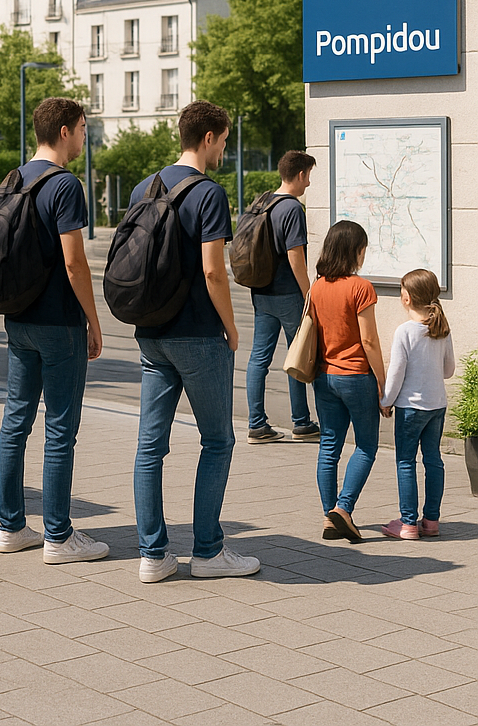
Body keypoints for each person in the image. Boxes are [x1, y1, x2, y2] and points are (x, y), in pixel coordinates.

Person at [132, 100, 260, 583]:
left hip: (152, 334)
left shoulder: (147, 186)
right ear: (207, 138)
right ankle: (207, 551)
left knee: (150, 447)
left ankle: (153, 555)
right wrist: (230, 328)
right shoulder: (208, 193)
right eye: (224, 140)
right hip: (198, 334)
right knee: (218, 440)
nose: (225, 148)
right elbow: (213, 271)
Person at [0, 97, 107, 565]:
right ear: (64, 131)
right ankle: (59, 537)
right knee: (60, 428)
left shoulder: (14, 178)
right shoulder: (65, 185)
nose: (85, 136)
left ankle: (11, 526)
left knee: (15, 421)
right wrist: (93, 320)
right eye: (82, 128)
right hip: (58, 322)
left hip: (18, 318)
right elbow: (74, 261)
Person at [311, 220, 386, 542]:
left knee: (329, 447)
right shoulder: (360, 287)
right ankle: (343, 508)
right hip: (356, 376)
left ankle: (330, 516)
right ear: (356, 250)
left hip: (324, 377)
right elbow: (369, 341)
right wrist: (384, 384)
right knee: (367, 446)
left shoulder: (317, 287)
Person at [245, 150, 320, 443]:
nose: (309, 184)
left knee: (258, 358)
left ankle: (256, 424)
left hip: (261, 291)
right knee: (298, 355)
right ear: (300, 174)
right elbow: (295, 257)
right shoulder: (291, 209)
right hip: (288, 293)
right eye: (309, 177)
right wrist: (308, 293)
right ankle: (301, 423)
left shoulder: (263, 201)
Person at [379, 268, 454, 540]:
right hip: (437, 405)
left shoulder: (405, 332)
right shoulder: (442, 329)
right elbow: (449, 370)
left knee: (405, 461)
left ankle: (408, 523)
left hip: (410, 408)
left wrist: (386, 401)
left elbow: (396, 372)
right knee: (434, 460)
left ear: (406, 298)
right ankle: (431, 521)